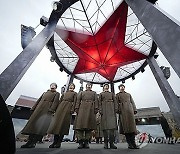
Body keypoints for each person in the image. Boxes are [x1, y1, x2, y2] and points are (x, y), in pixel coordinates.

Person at [20, 83, 60, 148]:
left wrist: (52, 110)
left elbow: (55, 102)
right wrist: (33, 108)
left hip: (46, 110)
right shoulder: (45, 93)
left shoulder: (56, 94)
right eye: (51, 85)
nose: (52, 86)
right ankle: (29, 141)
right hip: (38, 109)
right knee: (32, 124)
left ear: (56, 87)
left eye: (54, 85)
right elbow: (38, 100)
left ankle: (34, 142)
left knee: (40, 126)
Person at [47, 83, 77, 148]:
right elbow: (60, 101)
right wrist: (56, 109)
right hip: (60, 108)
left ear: (74, 87)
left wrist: (72, 109)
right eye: (70, 86)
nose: (71, 87)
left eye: (72, 86)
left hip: (68, 108)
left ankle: (59, 142)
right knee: (56, 125)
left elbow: (74, 102)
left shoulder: (75, 93)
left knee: (63, 125)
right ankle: (54, 141)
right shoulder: (64, 93)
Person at [74, 83, 98, 149]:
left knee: (89, 127)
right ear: (86, 86)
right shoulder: (82, 92)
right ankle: (80, 142)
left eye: (90, 85)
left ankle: (87, 142)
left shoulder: (94, 93)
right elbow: (78, 100)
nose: (89, 86)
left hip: (91, 109)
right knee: (79, 126)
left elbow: (96, 101)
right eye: (88, 85)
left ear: (91, 86)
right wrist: (76, 108)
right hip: (82, 109)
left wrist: (96, 108)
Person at [116, 84, 139, 149]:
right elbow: (116, 103)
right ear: (119, 88)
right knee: (126, 128)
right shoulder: (117, 95)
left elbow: (132, 102)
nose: (122, 88)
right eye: (121, 87)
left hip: (130, 110)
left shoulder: (129, 94)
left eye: (123, 86)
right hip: (123, 111)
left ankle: (134, 143)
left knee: (132, 128)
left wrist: (134, 109)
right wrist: (118, 110)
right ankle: (129, 144)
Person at [99, 83, 118, 149]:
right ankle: (106, 143)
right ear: (103, 87)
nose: (106, 87)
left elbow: (115, 101)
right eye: (105, 86)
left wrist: (115, 108)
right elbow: (99, 103)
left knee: (112, 128)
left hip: (111, 110)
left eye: (107, 86)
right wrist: (100, 110)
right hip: (104, 110)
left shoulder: (112, 94)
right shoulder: (101, 94)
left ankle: (111, 143)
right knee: (105, 128)